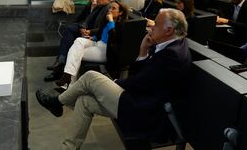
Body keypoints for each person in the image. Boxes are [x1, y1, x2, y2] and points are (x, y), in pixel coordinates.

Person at [35, 9, 192, 150]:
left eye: (155, 25)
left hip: (144, 112)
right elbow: (141, 77)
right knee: (84, 101)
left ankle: (58, 102)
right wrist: (143, 50)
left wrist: (115, 83)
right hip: (140, 101)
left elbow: (139, 82)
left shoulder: (172, 55)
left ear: (169, 30)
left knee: (90, 77)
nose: (151, 27)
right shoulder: (171, 45)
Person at [55, 0, 129, 87]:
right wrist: (93, 38)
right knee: (79, 40)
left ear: (120, 12)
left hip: (107, 51)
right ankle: (68, 79)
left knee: (76, 54)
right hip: (98, 43)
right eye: (110, 7)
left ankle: (68, 81)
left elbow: (114, 39)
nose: (110, 10)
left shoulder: (122, 25)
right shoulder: (106, 20)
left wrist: (111, 22)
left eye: (113, 8)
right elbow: (101, 34)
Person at [44, 0, 111, 81]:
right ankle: (61, 69)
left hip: (96, 38)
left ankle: (60, 69)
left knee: (71, 42)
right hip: (88, 32)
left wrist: (90, 32)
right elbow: (84, 19)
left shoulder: (108, 9)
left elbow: (104, 28)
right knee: (69, 35)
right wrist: (83, 28)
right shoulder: (96, 6)